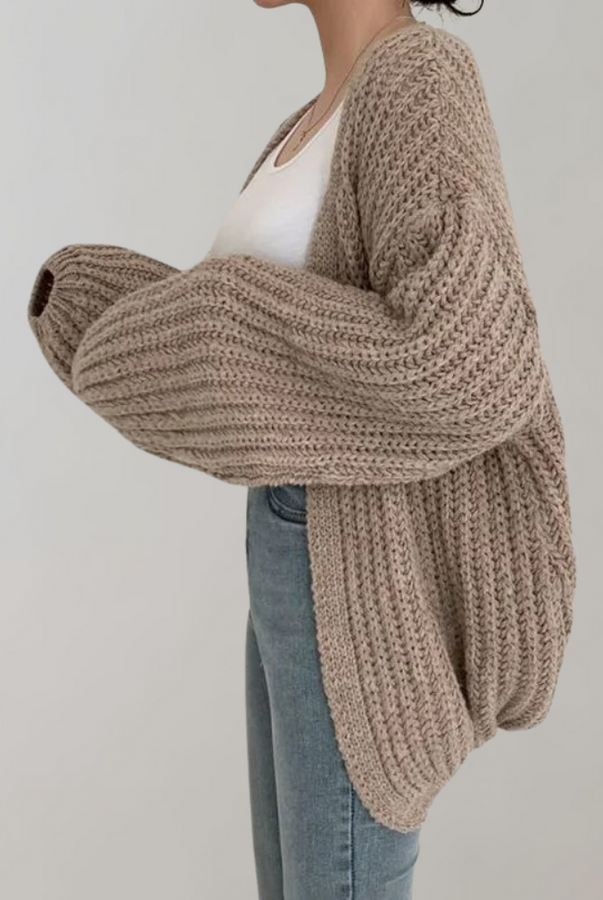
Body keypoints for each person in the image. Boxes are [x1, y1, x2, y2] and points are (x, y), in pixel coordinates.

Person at [27, 0, 576, 898]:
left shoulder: (416, 79)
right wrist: (106, 314)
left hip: (361, 584)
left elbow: (472, 360)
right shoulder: (312, 120)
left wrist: (216, 318)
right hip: (293, 550)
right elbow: (287, 360)